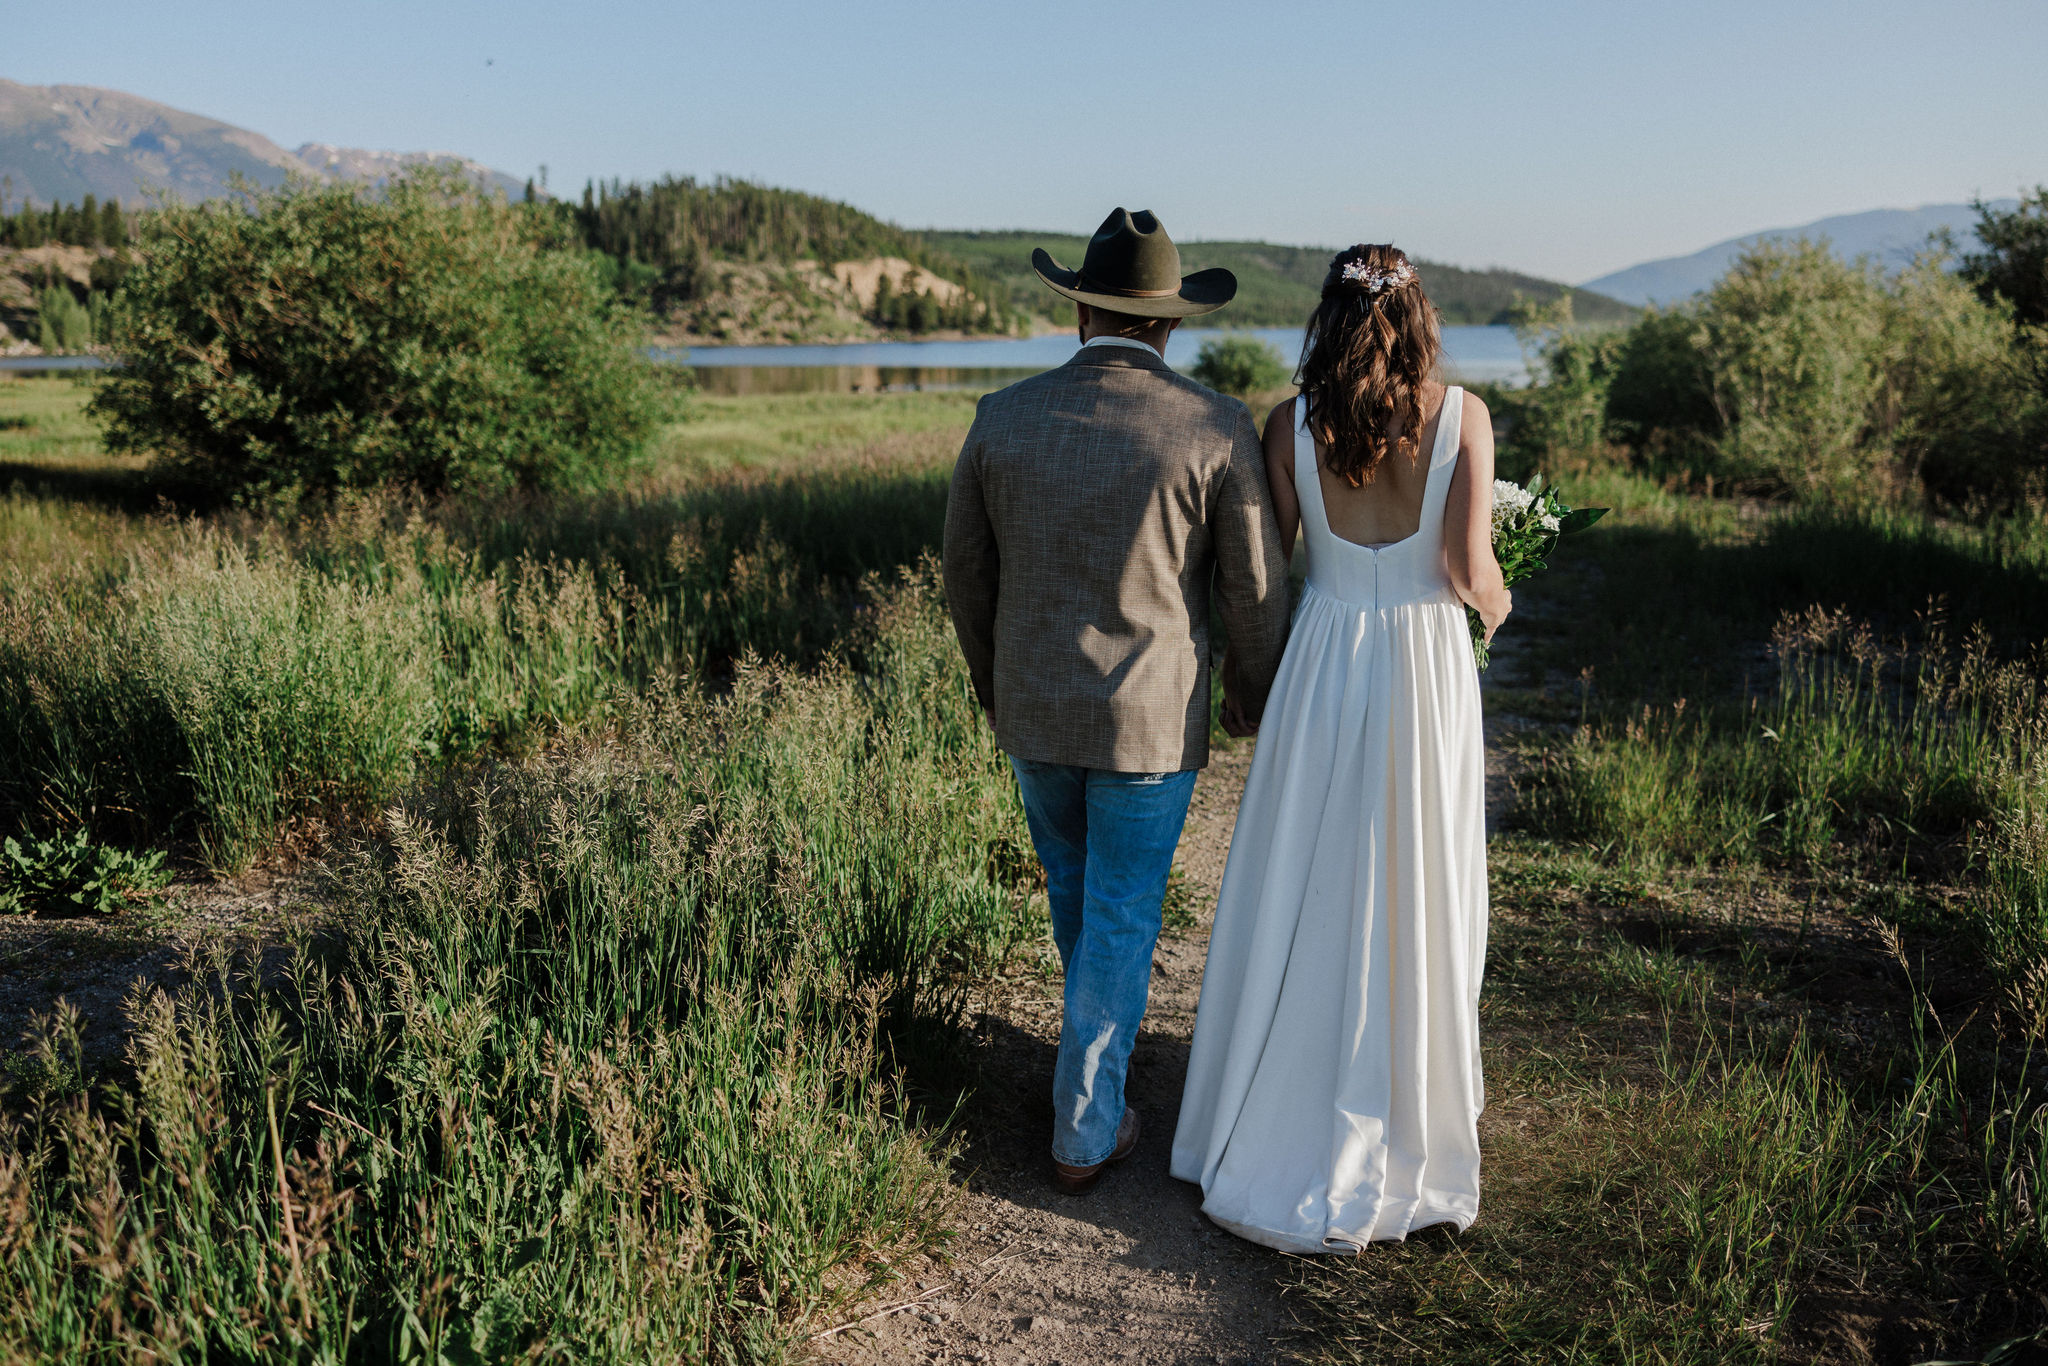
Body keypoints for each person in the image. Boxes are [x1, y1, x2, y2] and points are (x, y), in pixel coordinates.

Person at [943, 208, 1293, 1196]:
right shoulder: (1212, 424)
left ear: (1080, 314)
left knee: (1075, 890)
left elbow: (964, 575)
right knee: (1120, 912)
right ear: (1167, 326)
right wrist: (1248, 694)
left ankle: (1087, 1071)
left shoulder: (999, 417)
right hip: (1148, 717)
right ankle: (1085, 1123)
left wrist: (991, 682)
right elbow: (1255, 590)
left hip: (1035, 711)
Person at [1170, 244, 1509, 1251]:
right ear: (1418, 319)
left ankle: (1273, 1075)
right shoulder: (1463, 418)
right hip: (1419, 661)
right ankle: (1406, 1086)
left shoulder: (1288, 426)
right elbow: (1463, 567)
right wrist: (1498, 604)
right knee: (1414, 866)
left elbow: (1268, 571)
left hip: (1321, 654)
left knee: (1303, 865)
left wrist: (1243, 673)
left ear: (1326, 318)